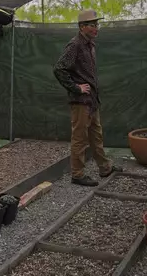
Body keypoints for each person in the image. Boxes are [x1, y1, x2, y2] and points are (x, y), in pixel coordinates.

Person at [53, 9, 123, 186]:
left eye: (97, 25)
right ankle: (77, 175)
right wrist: (76, 88)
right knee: (80, 138)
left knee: (96, 135)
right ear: (82, 27)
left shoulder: (89, 44)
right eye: (93, 25)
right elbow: (59, 69)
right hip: (80, 102)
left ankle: (104, 167)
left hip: (92, 100)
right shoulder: (75, 45)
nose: (96, 28)